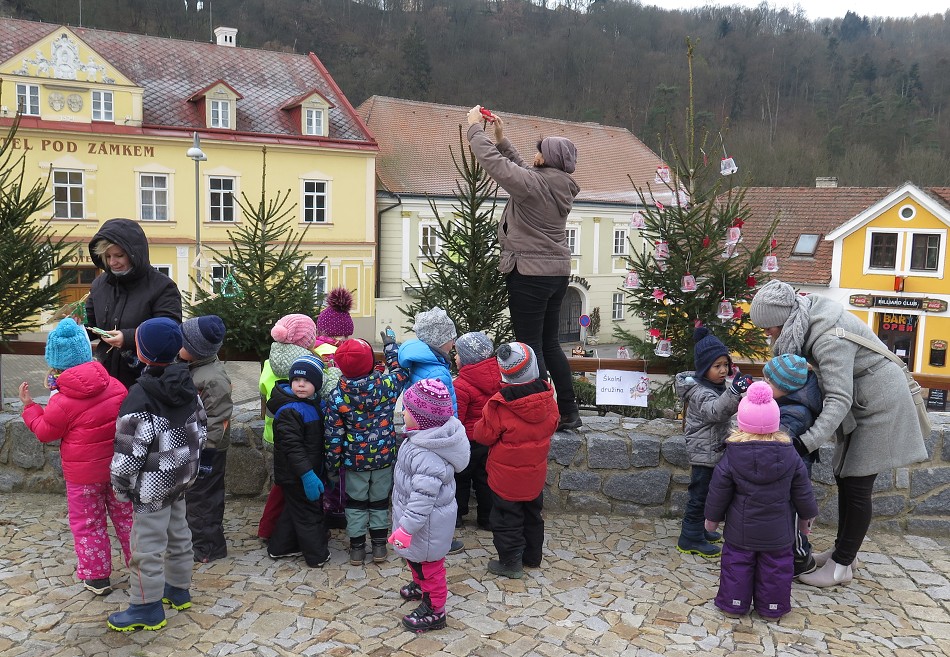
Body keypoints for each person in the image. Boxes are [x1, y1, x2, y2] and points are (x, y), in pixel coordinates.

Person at [749, 280, 928, 587]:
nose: (768, 334)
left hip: (880, 405)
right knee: (846, 477)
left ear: (785, 319)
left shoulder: (828, 338)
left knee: (857, 484)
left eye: (770, 328)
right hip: (864, 401)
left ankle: (841, 566)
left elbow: (838, 398)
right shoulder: (806, 316)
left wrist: (804, 443)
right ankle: (844, 552)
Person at [465, 106, 581, 432]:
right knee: (549, 344)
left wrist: (475, 129)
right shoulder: (557, 183)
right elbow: (522, 170)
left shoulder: (534, 185)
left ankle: (540, 414)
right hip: (556, 274)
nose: (534, 155)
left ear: (548, 158)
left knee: (530, 348)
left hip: (529, 274)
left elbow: (497, 167)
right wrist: (503, 141)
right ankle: (569, 411)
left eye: (539, 152)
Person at [108, 318, 207, 632]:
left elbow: (127, 456)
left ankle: (145, 607)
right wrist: (187, 468)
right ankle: (178, 589)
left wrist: (122, 488)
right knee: (179, 532)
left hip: (151, 487)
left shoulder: (139, 398)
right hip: (180, 478)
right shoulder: (187, 384)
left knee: (146, 547)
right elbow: (201, 430)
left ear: (141, 351)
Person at [19, 318, 130, 596]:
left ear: (55, 364)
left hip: (83, 478)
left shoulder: (60, 401)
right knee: (127, 519)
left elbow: (46, 432)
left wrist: (30, 407)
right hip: (118, 468)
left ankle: (97, 577)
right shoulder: (116, 385)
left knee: (88, 523)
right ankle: (143, 567)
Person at [704, 381, 819, 620]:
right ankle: (772, 608)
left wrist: (712, 520)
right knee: (776, 570)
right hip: (778, 533)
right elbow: (803, 491)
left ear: (742, 423)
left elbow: (718, 492)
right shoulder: (791, 455)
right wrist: (806, 520)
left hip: (740, 532)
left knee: (737, 567)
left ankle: (734, 604)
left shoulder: (732, 456)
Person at [388, 379, 470, 633]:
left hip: (426, 525)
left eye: (408, 410)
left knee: (429, 567)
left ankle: (435, 609)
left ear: (423, 420)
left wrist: (406, 528)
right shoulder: (421, 440)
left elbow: (422, 499)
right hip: (418, 523)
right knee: (417, 561)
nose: (403, 413)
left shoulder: (428, 456)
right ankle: (419, 584)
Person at [473, 342, 560, 579]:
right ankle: (532, 557)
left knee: (506, 519)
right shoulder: (547, 397)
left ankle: (511, 563)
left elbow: (484, 436)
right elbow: (554, 423)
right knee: (533, 515)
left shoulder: (499, 404)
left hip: (505, 478)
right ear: (533, 367)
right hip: (534, 473)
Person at [325, 332, 409, 565]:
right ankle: (380, 546)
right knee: (380, 501)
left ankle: (357, 549)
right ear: (372, 362)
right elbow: (402, 372)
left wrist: (332, 465)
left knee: (355, 503)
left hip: (354, 462)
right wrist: (391, 346)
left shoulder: (337, 394)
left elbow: (334, 435)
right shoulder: (386, 385)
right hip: (383, 458)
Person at [673, 327, 752, 558]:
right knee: (699, 496)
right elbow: (715, 411)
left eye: (725, 365)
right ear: (703, 367)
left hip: (713, 450)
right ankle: (689, 538)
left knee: (708, 495)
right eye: (716, 366)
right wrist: (735, 392)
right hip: (703, 453)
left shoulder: (715, 386)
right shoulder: (698, 391)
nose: (723, 370)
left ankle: (699, 532)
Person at [86, 218, 183, 389]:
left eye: (119, 255)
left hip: (145, 381)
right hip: (104, 378)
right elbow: (92, 325)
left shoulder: (162, 286)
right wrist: (74, 329)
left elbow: (170, 332)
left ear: (134, 253)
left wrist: (130, 338)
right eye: (107, 256)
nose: (112, 263)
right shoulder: (100, 284)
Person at [266, 355, 331, 568]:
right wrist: (307, 475)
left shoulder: (314, 404)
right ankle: (317, 555)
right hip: (297, 474)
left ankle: (281, 547)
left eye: (307, 381)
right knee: (308, 514)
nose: (300, 384)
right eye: (296, 380)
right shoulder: (290, 411)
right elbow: (292, 447)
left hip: (307, 470)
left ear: (317, 384)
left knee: (294, 510)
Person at [257, 314, 317, 541]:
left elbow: (263, 390)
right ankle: (271, 529)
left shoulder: (271, 362)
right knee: (288, 488)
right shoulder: (308, 366)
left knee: (281, 484)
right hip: (299, 437)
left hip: (272, 434)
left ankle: (280, 529)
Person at [762, 353, 823, 576]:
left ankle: (800, 559)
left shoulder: (796, 412)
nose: (764, 385)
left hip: (794, 473)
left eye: (769, 382)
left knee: (794, 515)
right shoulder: (787, 402)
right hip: (787, 469)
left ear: (785, 386)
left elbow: (778, 438)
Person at [179, 315, 233, 563]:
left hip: (209, 451)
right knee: (194, 498)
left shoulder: (213, 378)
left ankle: (209, 548)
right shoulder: (195, 367)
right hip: (196, 447)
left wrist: (207, 454)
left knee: (205, 500)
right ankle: (197, 541)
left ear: (195, 350)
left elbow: (218, 419)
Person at [452, 331, 501, 530]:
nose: (454, 357)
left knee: (460, 478)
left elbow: (457, 419)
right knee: (485, 479)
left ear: (467, 358)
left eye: (457, 354)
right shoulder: (498, 378)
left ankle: (457, 516)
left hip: (467, 441)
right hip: (488, 439)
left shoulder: (461, 385)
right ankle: (487, 518)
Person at [397, 306, 459, 413]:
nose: (454, 343)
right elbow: (442, 413)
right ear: (441, 340)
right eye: (452, 338)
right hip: (438, 428)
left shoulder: (420, 361)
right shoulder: (437, 372)